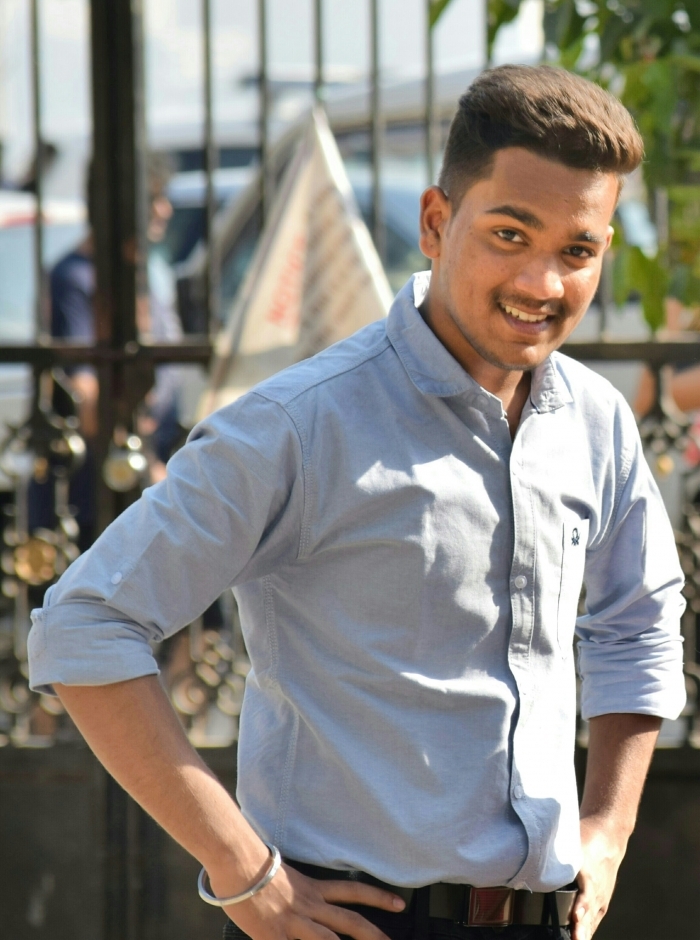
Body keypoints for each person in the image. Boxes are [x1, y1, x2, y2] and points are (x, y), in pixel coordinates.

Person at [27, 65, 685, 940]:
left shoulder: (596, 422)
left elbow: (638, 623)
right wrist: (243, 870)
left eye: (578, 251)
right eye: (509, 234)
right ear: (436, 223)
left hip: (549, 916)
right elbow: (83, 624)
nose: (542, 282)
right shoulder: (301, 424)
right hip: (349, 922)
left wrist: (609, 828)